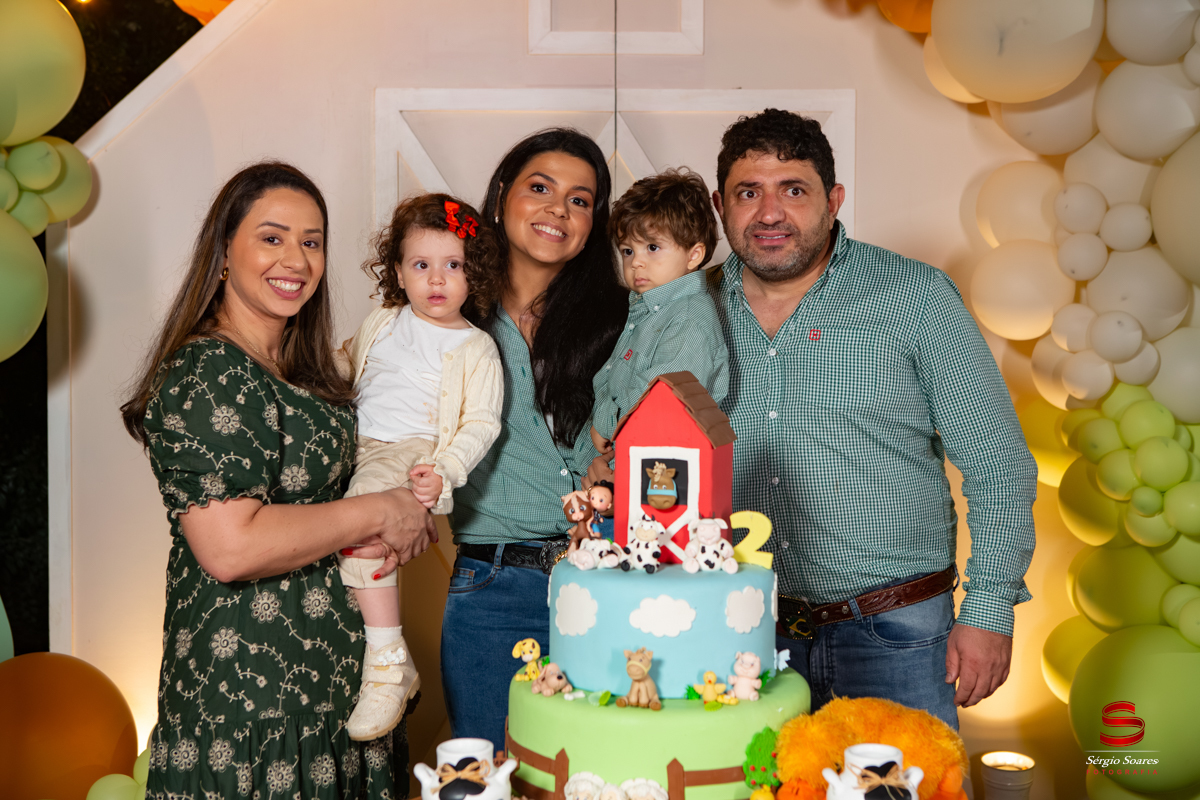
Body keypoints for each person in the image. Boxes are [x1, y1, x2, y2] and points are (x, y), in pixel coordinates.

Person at [708, 109, 1037, 730]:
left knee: (906, 781)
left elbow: (998, 465)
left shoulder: (916, 296)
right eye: (748, 193)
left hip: (897, 634)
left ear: (833, 200)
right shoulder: (686, 310)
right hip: (734, 635)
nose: (770, 213)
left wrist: (990, 610)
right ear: (719, 204)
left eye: (793, 190)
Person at [121, 161, 436, 798]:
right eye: (272, 237)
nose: (296, 259)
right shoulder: (209, 370)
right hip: (252, 708)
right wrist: (382, 511)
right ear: (223, 253)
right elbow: (230, 547)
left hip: (336, 695)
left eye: (311, 242)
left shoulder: (303, 370)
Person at [442, 128, 628, 754]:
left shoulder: (623, 318)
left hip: (609, 583)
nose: (559, 209)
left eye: (580, 200)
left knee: (607, 776)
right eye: (541, 188)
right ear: (501, 197)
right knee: (490, 776)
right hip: (493, 589)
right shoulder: (445, 312)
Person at [337, 193, 503, 741]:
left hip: (408, 453)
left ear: (474, 273)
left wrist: (446, 470)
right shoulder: (382, 321)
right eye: (421, 265)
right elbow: (352, 368)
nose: (437, 279)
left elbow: (482, 423)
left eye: (453, 265)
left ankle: (388, 662)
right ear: (398, 272)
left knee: (361, 531)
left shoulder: (476, 347)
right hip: (355, 442)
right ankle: (370, 648)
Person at [587, 168, 729, 472]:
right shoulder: (647, 311)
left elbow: (658, 399)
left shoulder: (689, 319)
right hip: (616, 460)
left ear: (693, 255)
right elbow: (610, 378)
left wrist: (606, 421)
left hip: (653, 470)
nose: (636, 262)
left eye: (652, 247)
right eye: (628, 250)